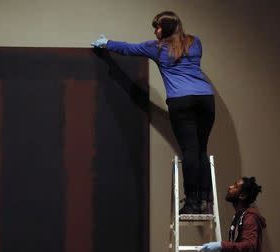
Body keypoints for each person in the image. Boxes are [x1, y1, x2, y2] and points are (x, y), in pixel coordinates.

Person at [91, 11, 215, 214]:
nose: (155, 31)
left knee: (190, 151)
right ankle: (205, 200)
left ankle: (192, 202)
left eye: (157, 27)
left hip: (181, 101)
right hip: (206, 100)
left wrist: (106, 42)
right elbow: (184, 56)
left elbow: (128, 49)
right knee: (201, 150)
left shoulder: (156, 48)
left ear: (165, 29)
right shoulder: (195, 42)